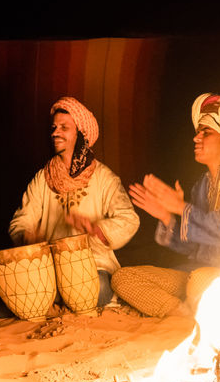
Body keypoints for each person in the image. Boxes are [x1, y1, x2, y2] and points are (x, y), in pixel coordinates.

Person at [112, 93, 220, 317]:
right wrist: (167, 218)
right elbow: (193, 248)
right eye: (197, 132)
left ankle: (201, 311)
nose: (196, 138)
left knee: (198, 282)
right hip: (194, 273)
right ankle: (179, 315)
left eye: (206, 132)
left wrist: (181, 207)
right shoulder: (201, 186)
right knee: (123, 278)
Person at [8, 96, 140, 308]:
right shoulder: (43, 178)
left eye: (64, 127)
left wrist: (96, 229)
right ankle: (58, 294)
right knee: (3, 302)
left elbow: (129, 219)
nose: (55, 133)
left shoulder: (104, 178)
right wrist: (26, 236)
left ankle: (56, 296)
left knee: (100, 289)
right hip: (50, 265)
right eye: (54, 127)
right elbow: (20, 221)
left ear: (81, 134)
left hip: (92, 264)